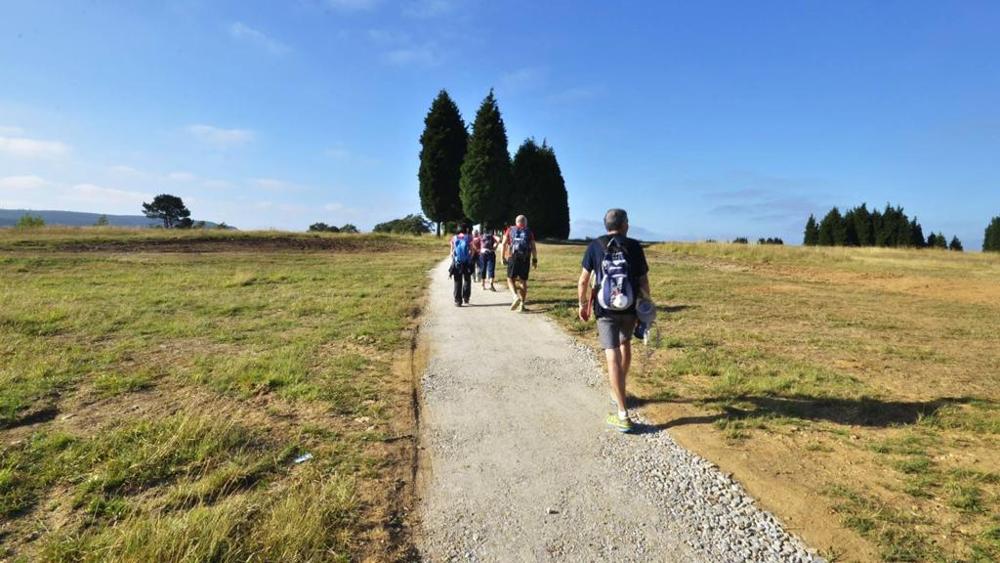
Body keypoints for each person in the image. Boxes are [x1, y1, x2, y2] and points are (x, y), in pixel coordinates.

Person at [577, 209, 650, 433]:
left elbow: (583, 281)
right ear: (625, 224)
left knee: (612, 354)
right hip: (629, 307)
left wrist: (582, 305)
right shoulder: (635, 246)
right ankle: (620, 388)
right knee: (624, 344)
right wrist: (646, 307)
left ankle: (622, 413)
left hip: (605, 309)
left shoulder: (595, 246)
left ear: (605, 225)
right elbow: (643, 282)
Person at [499, 215, 537, 312]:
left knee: (510, 279)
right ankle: (522, 305)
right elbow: (533, 247)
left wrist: (502, 257)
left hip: (513, 257)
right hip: (525, 258)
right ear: (525, 222)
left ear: (516, 222)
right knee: (523, 281)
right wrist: (534, 260)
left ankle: (515, 297)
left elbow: (503, 244)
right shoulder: (529, 232)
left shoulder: (510, 230)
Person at [450, 225, 474, 307]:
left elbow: (452, 252)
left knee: (457, 281)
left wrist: (454, 259)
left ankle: (458, 301)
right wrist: (470, 258)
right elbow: (472, 250)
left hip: (458, 263)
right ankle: (466, 297)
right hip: (467, 262)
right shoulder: (469, 237)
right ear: (465, 230)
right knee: (467, 280)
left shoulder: (454, 238)